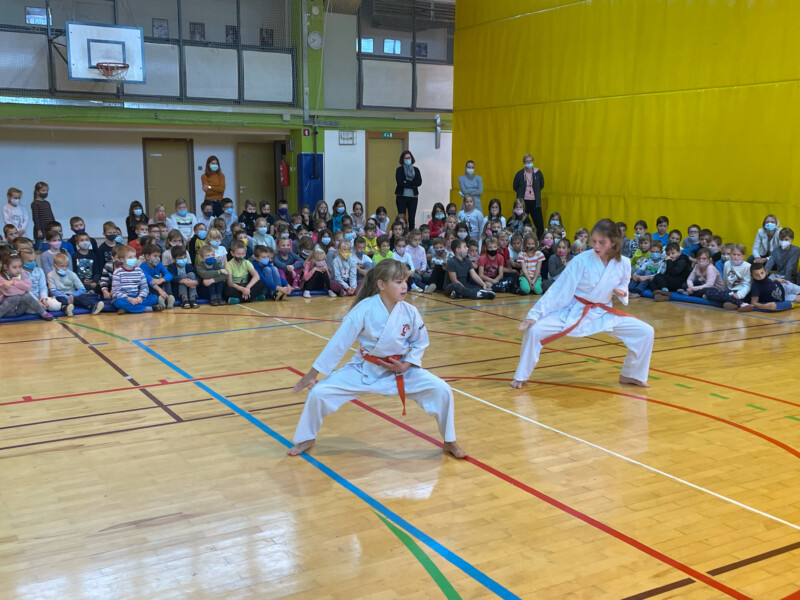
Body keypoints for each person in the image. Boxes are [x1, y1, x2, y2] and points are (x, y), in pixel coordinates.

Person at [287, 259, 466, 458]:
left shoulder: (410, 311)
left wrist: (405, 364)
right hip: (364, 369)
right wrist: (312, 374)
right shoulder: (364, 309)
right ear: (381, 285)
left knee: (442, 390)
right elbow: (338, 344)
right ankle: (307, 438)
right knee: (319, 393)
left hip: (400, 371)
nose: (405, 286)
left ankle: (449, 441)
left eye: (405, 281)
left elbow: (420, 342)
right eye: (398, 282)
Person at [511, 218, 654, 389]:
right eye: (594, 241)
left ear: (614, 242)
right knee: (534, 330)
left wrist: (621, 290)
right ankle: (521, 376)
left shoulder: (623, 262)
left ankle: (632, 375)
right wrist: (534, 314)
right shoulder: (581, 260)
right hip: (573, 310)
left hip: (602, 312)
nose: (596, 246)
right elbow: (559, 289)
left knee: (645, 331)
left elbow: (624, 281)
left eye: (602, 242)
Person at [0, 252, 55, 321]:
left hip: (20, 310)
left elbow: (28, 286)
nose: (18, 269)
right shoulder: (2, 277)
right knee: (16, 296)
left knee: (25, 295)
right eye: (14, 267)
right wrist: (22, 287)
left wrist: (13, 281)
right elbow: (10, 292)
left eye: (20, 266)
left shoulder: (21, 273)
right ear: (6, 267)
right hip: (7, 311)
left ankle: (43, 313)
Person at [111, 246, 161, 314]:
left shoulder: (139, 270)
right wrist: (128, 298)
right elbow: (115, 292)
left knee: (154, 298)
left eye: (134, 256)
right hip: (124, 298)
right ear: (122, 260)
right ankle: (146, 308)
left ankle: (127, 309)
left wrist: (140, 297)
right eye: (130, 257)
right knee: (118, 302)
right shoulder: (117, 272)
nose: (134, 259)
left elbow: (145, 288)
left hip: (137, 297)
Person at [704, 244, 753, 311]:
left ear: (743, 256)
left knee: (726, 297)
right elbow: (725, 280)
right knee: (709, 291)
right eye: (734, 254)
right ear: (731, 255)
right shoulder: (727, 264)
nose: (735, 257)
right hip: (729, 292)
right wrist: (724, 290)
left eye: (738, 255)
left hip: (740, 291)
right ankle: (738, 303)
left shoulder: (748, 266)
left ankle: (742, 304)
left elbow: (747, 285)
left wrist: (739, 295)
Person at [512, 153, 545, 235]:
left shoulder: (538, 172)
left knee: (539, 225)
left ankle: (540, 240)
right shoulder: (519, 174)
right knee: (520, 223)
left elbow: (542, 185)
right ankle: (519, 240)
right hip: (523, 202)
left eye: (530, 161)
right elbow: (515, 186)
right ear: (523, 162)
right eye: (526, 161)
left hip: (535, 202)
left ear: (533, 161)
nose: (529, 163)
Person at [225, 240, 265, 304]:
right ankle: (252, 298)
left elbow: (256, 276)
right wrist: (242, 289)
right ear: (232, 253)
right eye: (238, 254)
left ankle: (239, 299)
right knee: (227, 290)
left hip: (246, 285)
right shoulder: (228, 264)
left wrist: (248, 287)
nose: (241, 256)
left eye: (243, 254)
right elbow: (230, 283)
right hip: (236, 287)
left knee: (261, 282)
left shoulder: (247, 262)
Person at [140, 244, 175, 309]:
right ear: (147, 256)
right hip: (151, 287)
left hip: (158, 283)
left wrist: (162, 279)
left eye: (159, 256)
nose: (158, 258)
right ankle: (160, 298)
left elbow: (169, 275)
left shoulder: (159, 264)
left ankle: (169, 297)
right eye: (155, 256)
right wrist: (160, 290)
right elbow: (149, 280)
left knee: (167, 280)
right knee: (150, 284)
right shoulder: (142, 267)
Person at [395, 150, 422, 230]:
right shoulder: (399, 170)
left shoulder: (416, 170)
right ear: (402, 159)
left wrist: (406, 182)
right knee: (401, 218)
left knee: (412, 218)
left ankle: (411, 233)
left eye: (409, 157)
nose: (408, 159)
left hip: (413, 197)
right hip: (401, 196)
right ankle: (401, 232)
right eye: (406, 158)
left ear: (412, 158)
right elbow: (400, 183)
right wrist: (412, 184)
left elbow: (419, 182)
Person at [30, 182, 55, 251]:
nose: (45, 192)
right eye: (43, 191)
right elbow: (35, 218)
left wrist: (54, 226)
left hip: (49, 229)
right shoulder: (35, 203)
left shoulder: (47, 203)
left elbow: (51, 215)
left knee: (49, 247)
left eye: (47, 191)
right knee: (39, 248)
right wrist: (39, 230)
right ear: (37, 191)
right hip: (40, 230)